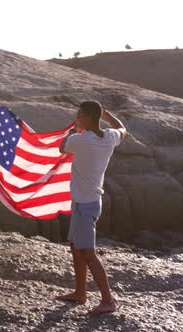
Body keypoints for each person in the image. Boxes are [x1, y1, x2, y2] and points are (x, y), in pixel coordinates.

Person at [56, 100, 128, 315]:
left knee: (88, 252)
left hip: (86, 205)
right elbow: (123, 129)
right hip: (85, 202)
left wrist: (71, 132)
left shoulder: (80, 140)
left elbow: (61, 147)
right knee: (75, 247)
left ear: (87, 117)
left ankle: (108, 300)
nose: (77, 117)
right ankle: (80, 292)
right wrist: (108, 116)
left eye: (79, 115)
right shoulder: (109, 138)